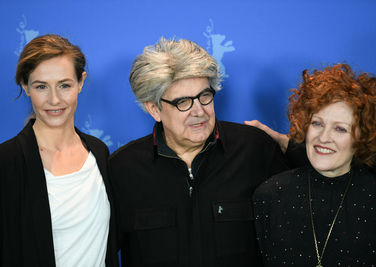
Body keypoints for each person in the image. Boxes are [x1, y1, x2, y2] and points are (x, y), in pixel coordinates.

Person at [108, 37, 289, 267]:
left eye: (205, 96)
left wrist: (288, 144)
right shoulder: (123, 168)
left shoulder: (254, 149)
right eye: (183, 101)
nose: (199, 111)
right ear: (154, 109)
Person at [0, 34, 118, 267]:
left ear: (81, 82)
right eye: (41, 86)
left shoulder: (99, 153)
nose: (54, 99)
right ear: (26, 86)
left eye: (64, 85)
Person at [253, 63, 376, 266]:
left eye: (340, 129)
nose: (323, 137)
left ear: (362, 137)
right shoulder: (269, 196)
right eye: (317, 123)